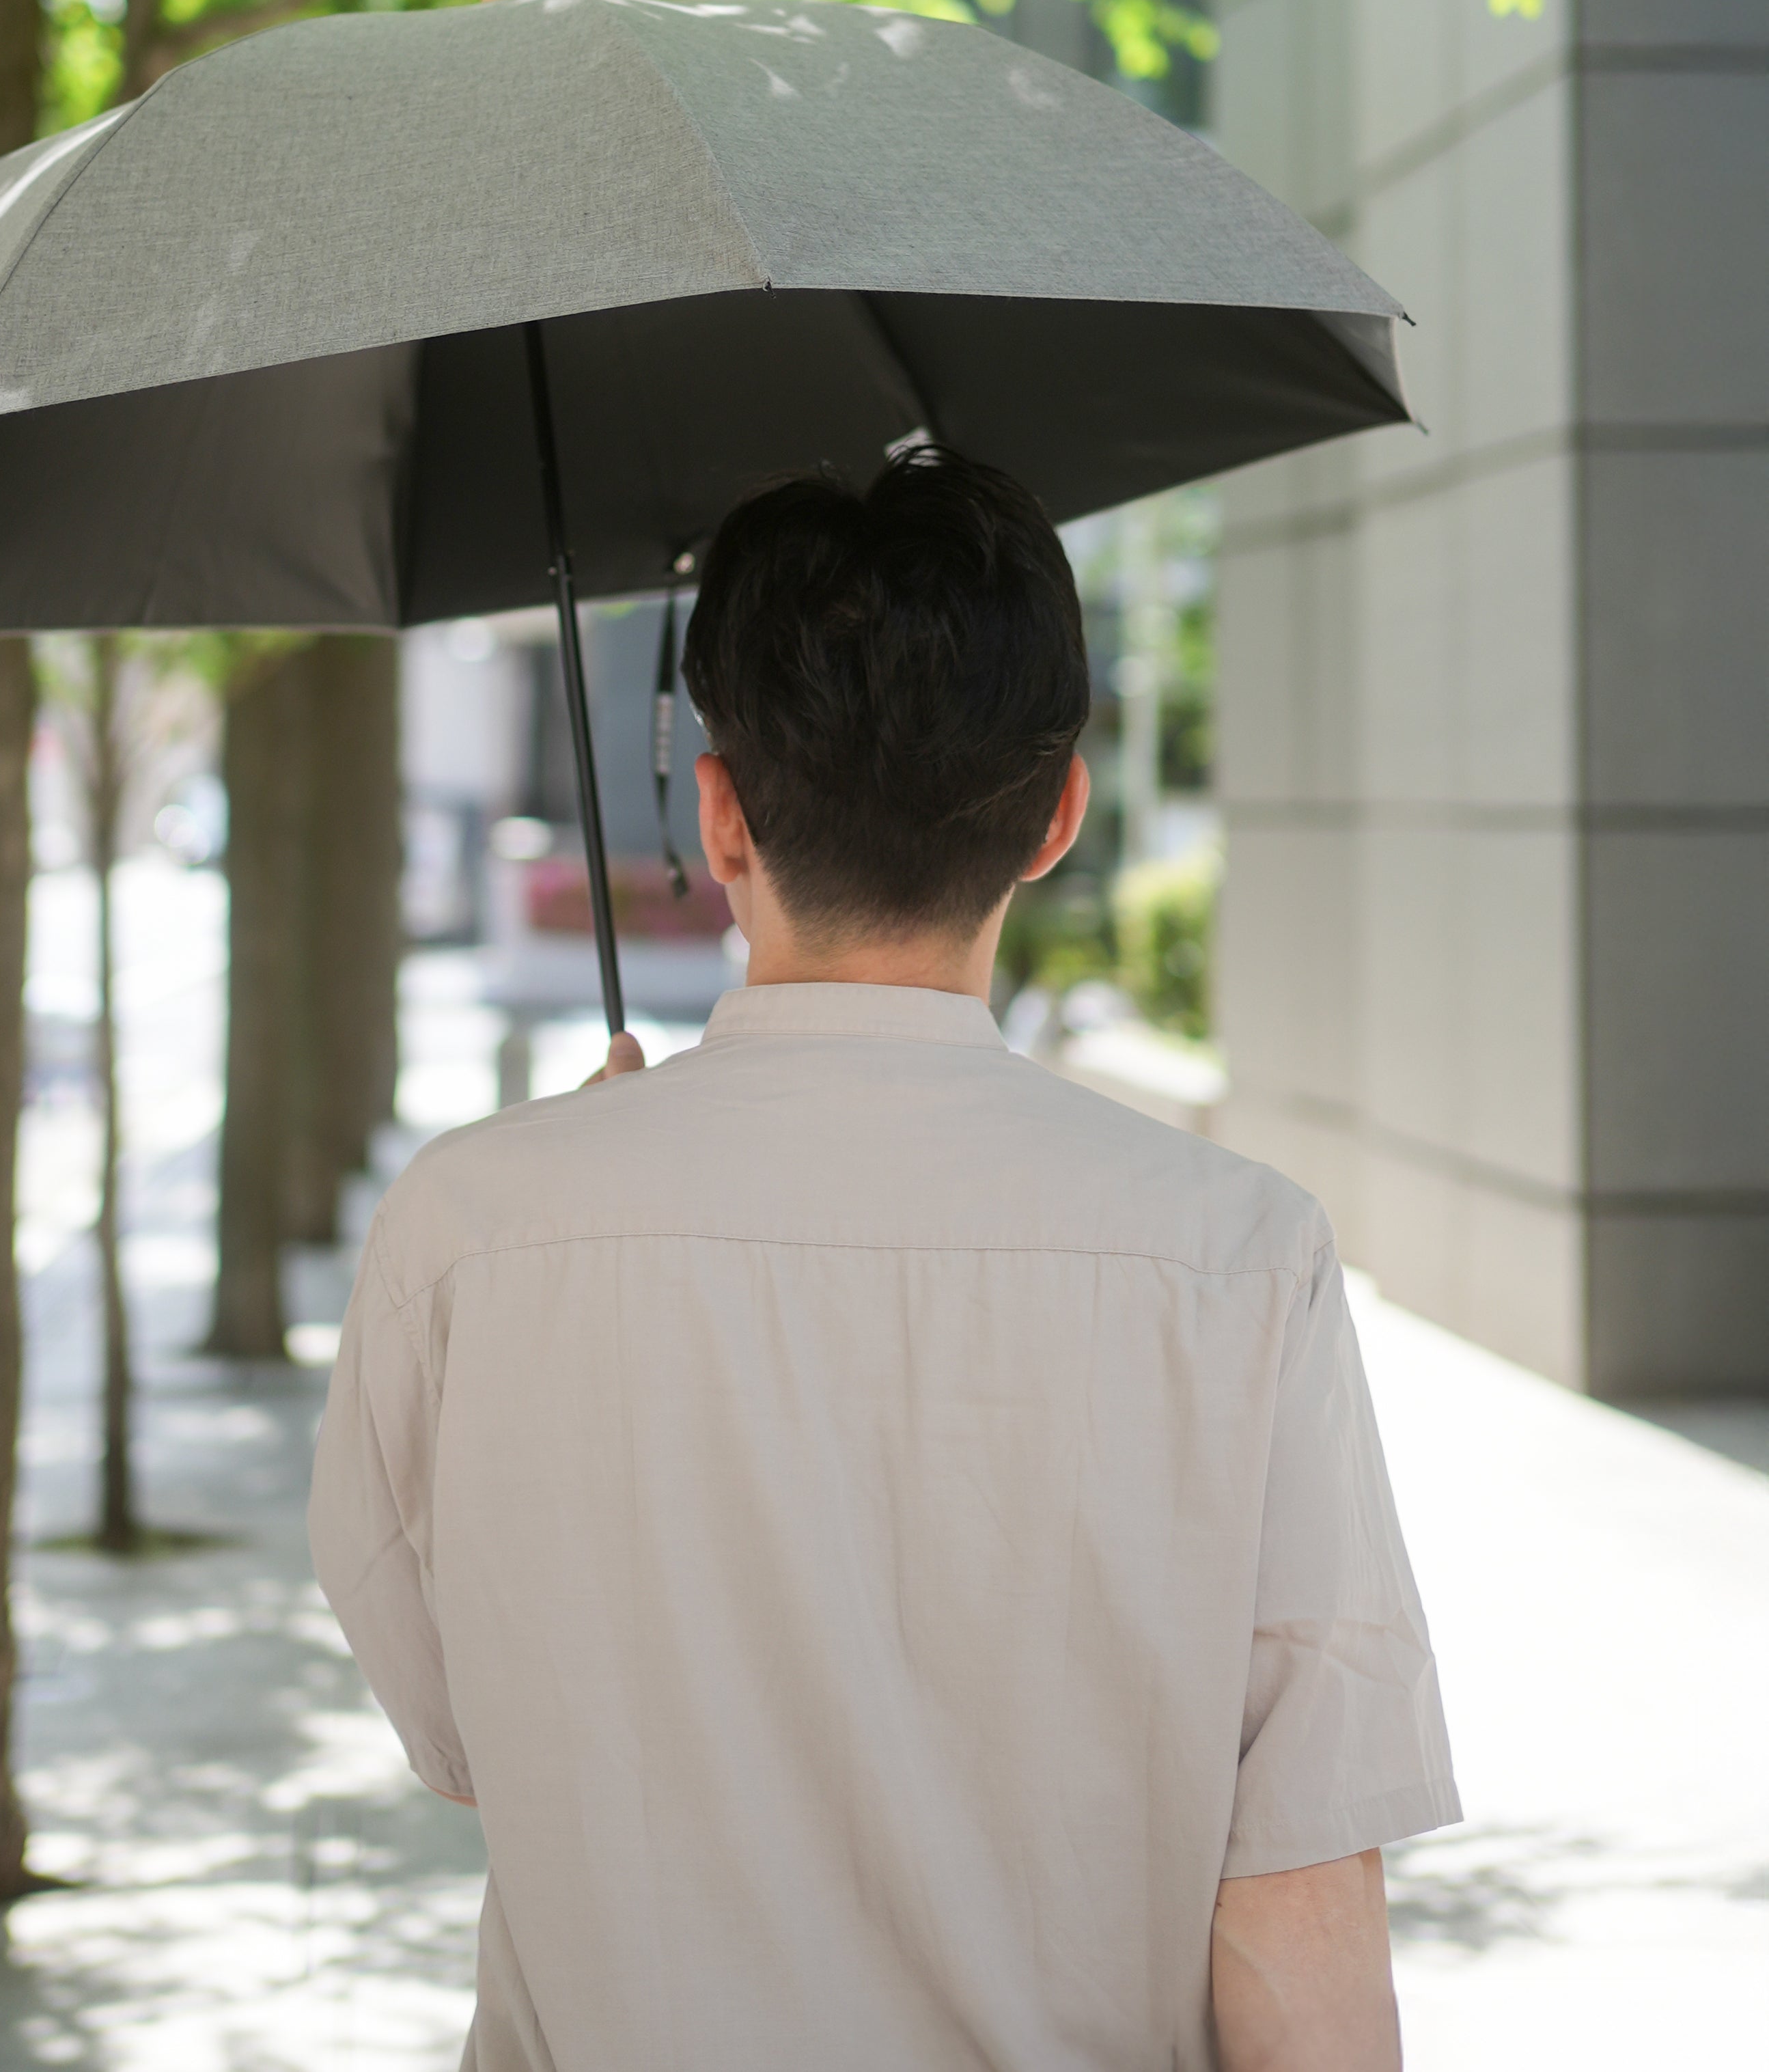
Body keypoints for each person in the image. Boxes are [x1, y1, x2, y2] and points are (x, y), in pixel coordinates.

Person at [310, 446, 1458, 2072]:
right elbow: (1299, 1902)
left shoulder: (466, 1233)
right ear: (1057, 815)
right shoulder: (1241, 1259)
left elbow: (464, 1742)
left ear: (720, 812)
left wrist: (566, 1197)